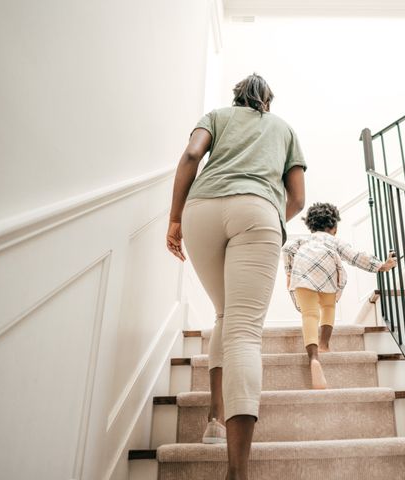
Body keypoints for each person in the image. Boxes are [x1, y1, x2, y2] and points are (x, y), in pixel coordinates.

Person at [166, 73, 306, 480]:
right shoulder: (284, 130)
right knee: (244, 331)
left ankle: (213, 418)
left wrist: (175, 218)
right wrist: (265, 214)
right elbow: (297, 198)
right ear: (268, 100)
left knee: (226, 316)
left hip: (201, 211)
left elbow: (192, 155)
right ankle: (237, 472)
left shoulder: (215, 116)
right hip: (257, 211)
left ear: (236, 97)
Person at [282, 202, 396, 389]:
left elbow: (286, 250)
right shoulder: (334, 241)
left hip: (301, 275)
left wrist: (288, 272)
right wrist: (381, 265)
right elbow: (355, 256)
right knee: (328, 307)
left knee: (309, 315)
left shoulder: (303, 241)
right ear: (334, 227)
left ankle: (313, 358)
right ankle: (324, 344)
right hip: (327, 274)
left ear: (311, 225)